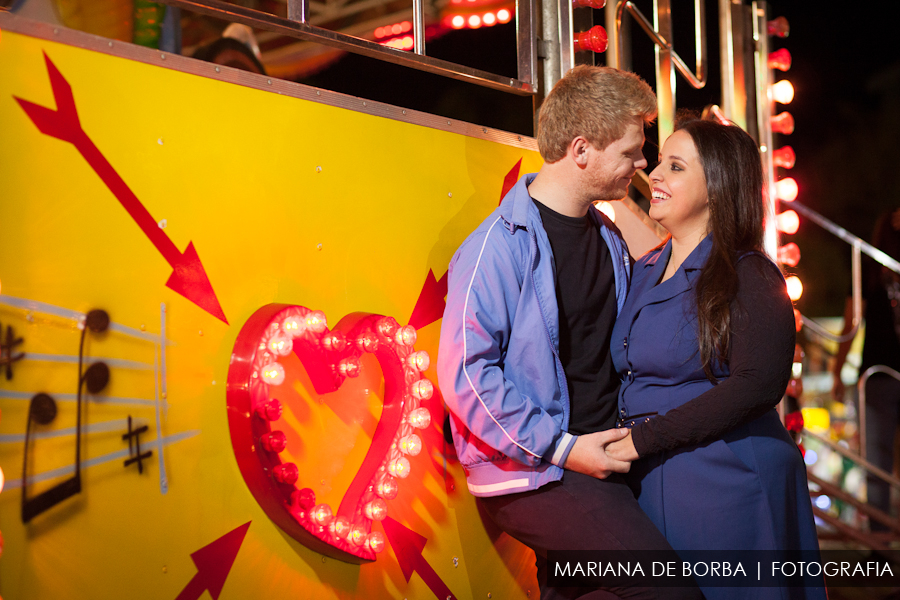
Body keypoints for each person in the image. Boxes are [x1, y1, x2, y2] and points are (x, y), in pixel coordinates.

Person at [438, 65, 701, 600]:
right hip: (540, 471)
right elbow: (465, 373)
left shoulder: (607, 237)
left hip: (604, 455)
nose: (642, 162)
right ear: (582, 150)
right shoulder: (499, 245)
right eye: (630, 151)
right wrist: (561, 448)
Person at [606, 120, 826, 599]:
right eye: (660, 161)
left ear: (717, 186)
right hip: (653, 478)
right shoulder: (645, 267)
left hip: (728, 482)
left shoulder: (749, 272)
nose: (656, 173)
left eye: (676, 166)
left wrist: (641, 440)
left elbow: (758, 384)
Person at [831, 208, 900, 530]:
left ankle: (881, 539)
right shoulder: (869, 265)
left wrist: (837, 370)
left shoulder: (868, 266)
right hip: (878, 374)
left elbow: (851, 322)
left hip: (878, 372)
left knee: (877, 460)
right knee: (878, 459)